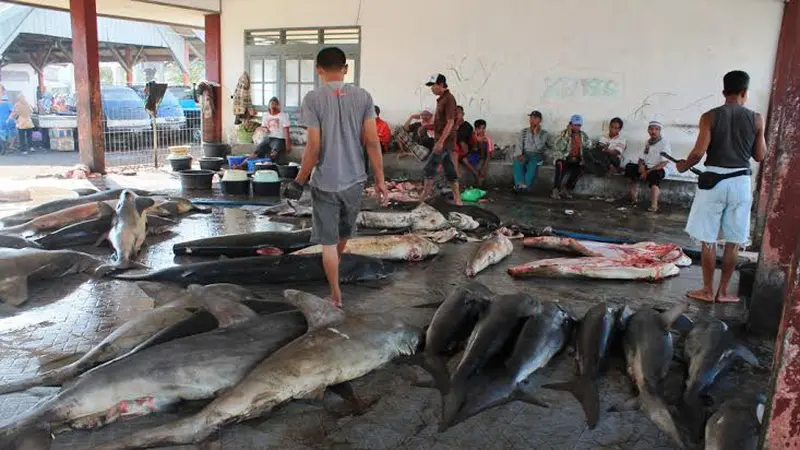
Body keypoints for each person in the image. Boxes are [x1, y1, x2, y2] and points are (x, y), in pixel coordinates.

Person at [287, 47, 388, 308]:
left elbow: (313, 147)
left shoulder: (313, 99)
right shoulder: (363, 97)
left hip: (326, 183)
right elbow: (372, 142)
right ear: (345, 68)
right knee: (343, 235)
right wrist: (380, 179)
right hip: (355, 180)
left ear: (318, 69)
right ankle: (336, 269)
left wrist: (299, 179)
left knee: (328, 243)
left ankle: (335, 295)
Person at [676, 70, 766, 304]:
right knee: (733, 241)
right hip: (740, 183)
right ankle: (724, 292)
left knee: (708, 239)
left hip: (713, 181)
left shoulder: (710, 117)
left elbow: (698, 152)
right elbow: (760, 155)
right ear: (745, 93)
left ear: (724, 91)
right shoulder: (756, 118)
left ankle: (707, 290)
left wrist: (683, 166)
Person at [420, 73, 461, 205]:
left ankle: (423, 198)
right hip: (442, 140)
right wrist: (427, 126)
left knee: (429, 167)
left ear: (441, 84)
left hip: (445, 141)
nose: (431, 88)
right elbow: (441, 123)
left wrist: (441, 142)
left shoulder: (449, 99)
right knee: (449, 169)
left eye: (433, 85)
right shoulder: (441, 99)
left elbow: (450, 122)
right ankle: (458, 199)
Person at [624, 121, 671, 212]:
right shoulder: (648, 142)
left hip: (659, 168)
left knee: (654, 175)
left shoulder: (664, 142)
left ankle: (654, 205)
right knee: (629, 168)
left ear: (660, 130)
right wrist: (641, 166)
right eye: (651, 129)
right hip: (647, 167)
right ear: (648, 130)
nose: (653, 131)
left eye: (656, 129)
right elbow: (642, 157)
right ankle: (634, 199)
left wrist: (647, 172)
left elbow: (664, 163)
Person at [236, 97, 293, 169]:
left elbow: (286, 130)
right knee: (256, 153)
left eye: (275, 105)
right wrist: (264, 130)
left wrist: (288, 143)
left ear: (278, 106)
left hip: (279, 139)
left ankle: (267, 167)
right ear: (269, 106)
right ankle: (241, 165)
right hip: (268, 138)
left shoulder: (283, 116)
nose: (273, 107)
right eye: (271, 105)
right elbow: (264, 127)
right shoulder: (266, 116)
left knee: (274, 153)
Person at [551, 114, 591, 199]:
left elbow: (588, 146)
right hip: (565, 159)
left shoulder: (583, 135)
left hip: (576, 160)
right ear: (570, 124)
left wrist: (583, 157)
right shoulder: (563, 133)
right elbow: (558, 147)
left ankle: (566, 189)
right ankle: (556, 190)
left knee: (583, 168)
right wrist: (567, 136)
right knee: (560, 164)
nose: (577, 127)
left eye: (579, 125)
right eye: (575, 125)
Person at [513, 110, 550, 191]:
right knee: (517, 161)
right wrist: (519, 155)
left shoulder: (544, 133)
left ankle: (525, 184)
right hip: (525, 154)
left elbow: (540, 148)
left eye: (535, 118)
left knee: (532, 163)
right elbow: (518, 145)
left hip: (537, 154)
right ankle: (519, 184)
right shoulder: (523, 132)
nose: (532, 120)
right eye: (531, 118)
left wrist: (536, 134)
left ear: (540, 120)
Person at [460, 119, 492, 186]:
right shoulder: (472, 137)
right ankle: (477, 176)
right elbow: (471, 149)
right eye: (480, 128)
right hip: (474, 155)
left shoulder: (487, 139)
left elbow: (489, 155)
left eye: (484, 128)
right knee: (464, 160)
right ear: (476, 129)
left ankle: (479, 181)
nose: (482, 130)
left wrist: (484, 167)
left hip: (482, 157)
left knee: (481, 169)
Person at [454, 105, 473, 177]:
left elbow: (462, 140)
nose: (457, 115)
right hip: (454, 149)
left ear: (463, 114)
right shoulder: (451, 125)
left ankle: (456, 173)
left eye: (459, 113)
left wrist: (456, 127)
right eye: (455, 113)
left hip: (464, 150)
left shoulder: (467, 126)